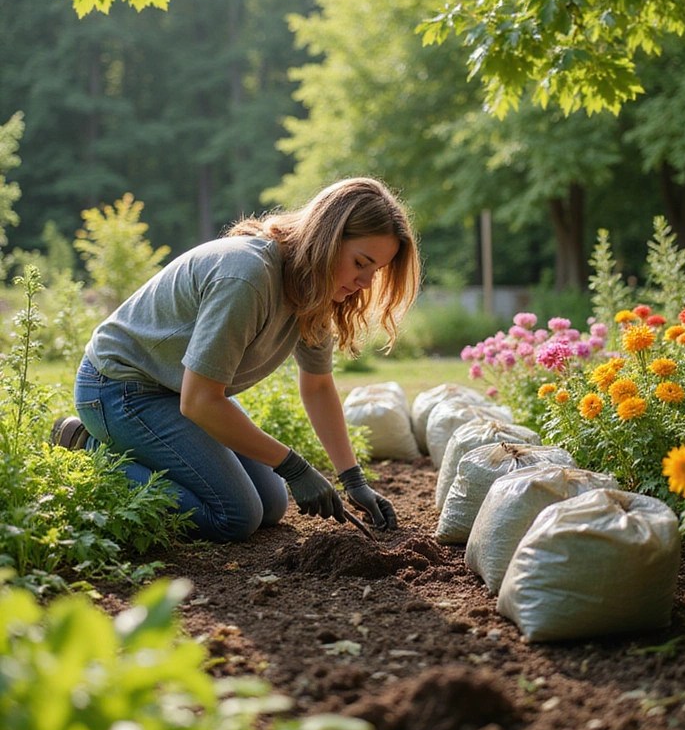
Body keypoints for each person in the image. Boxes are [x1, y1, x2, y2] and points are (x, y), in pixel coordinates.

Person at [53, 177, 421, 543]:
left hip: (177, 391)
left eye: (377, 271)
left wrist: (353, 480)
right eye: (361, 262)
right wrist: (296, 467)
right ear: (326, 238)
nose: (366, 282)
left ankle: (146, 452)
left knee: (273, 505)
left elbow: (318, 385)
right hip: (119, 388)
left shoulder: (316, 291)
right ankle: (87, 446)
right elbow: (200, 401)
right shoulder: (246, 276)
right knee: (236, 516)